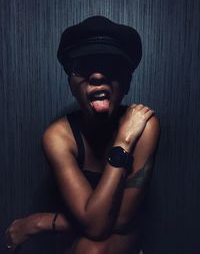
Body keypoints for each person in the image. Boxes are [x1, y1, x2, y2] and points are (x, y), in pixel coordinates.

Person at [5, 16, 160, 254]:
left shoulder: (144, 126)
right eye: (84, 66)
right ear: (70, 83)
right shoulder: (58, 137)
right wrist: (123, 143)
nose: (97, 76)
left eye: (111, 66)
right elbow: (96, 225)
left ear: (127, 83)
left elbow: (118, 222)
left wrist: (40, 222)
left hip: (122, 239)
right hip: (74, 240)